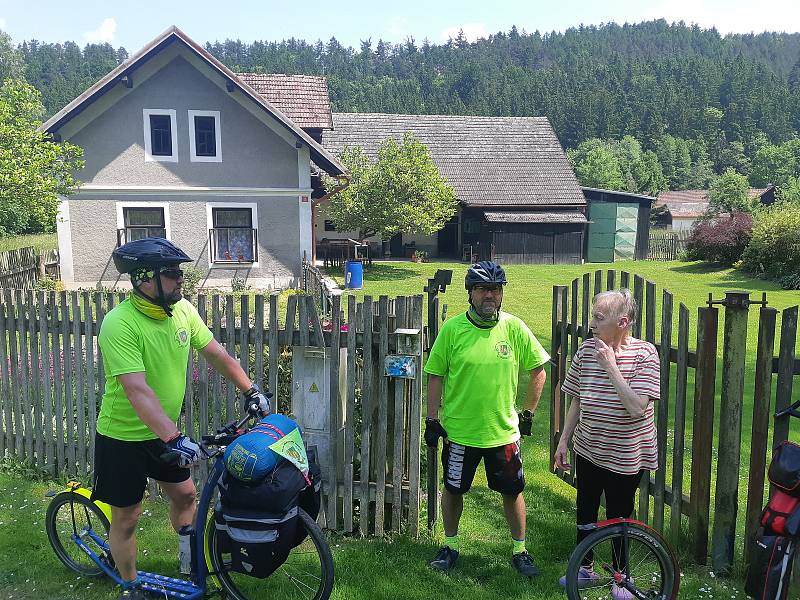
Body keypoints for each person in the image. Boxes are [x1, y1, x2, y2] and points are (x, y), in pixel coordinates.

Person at [93, 238, 270, 600]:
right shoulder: (119, 324)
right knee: (127, 517)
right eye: (171, 274)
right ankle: (130, 585)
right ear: (144, 279)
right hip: (123, 437)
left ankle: (188, 562)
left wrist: (251, 390)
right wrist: (175, 439)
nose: (179, 279)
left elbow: (216, 353)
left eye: (179, 272)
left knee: (186, 495)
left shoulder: (183, 310)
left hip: (163, 433)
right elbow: (136, 390)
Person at [423, 261, 550, 577]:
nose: (489, 295)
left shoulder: (514, 327)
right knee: (453, 490)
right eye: (482, 289)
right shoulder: (453, 330)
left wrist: (528, 414)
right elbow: (435, 376)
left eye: (495, 289)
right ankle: (450, 546)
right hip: (459, 433)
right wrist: (431, 419)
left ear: (502, 293)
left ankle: (520, 551)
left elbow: (539, 370)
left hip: (502, 434)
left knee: (512, 492)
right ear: (470, 293)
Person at [554, 289, 660, 600]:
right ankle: (584, 568)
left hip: (626, 455)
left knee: (619, 516)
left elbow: (638, 407)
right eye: (593, 316)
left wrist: (611, 366)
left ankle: (620, 579)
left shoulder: (645, 355)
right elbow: (576, 399)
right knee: (585, 508)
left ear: (623, 322)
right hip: (588, 447)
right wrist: (563, 440)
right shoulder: (587, 351)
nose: (591, 324)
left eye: (599, 318)